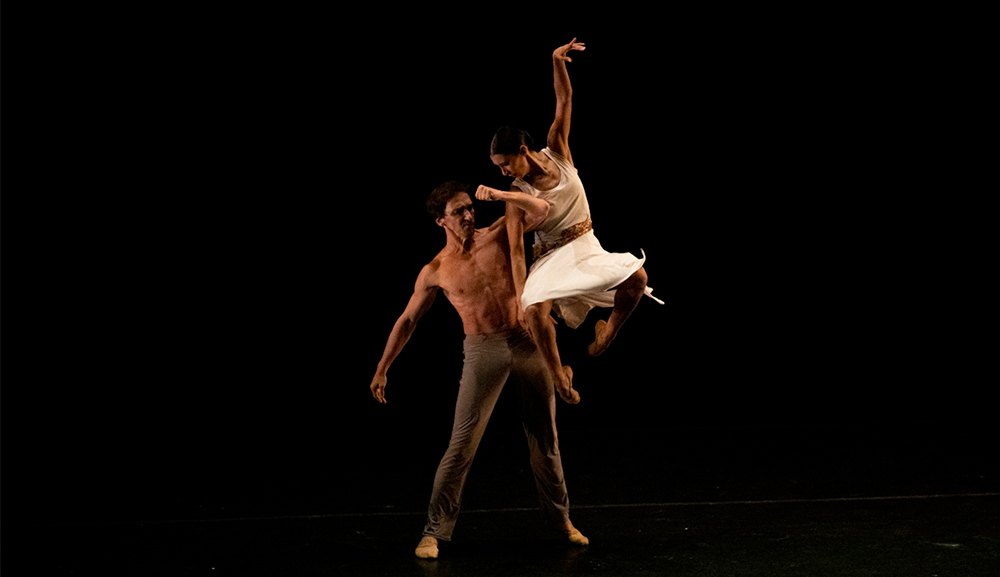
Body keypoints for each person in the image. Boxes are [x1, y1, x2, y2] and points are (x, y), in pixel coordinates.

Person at [369, 181, 588, 559]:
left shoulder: (502, 231)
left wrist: (504, 196)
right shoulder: (436, 269)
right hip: (482, 349)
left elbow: (541, 210)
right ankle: (433, 532)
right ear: (441, 221)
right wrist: (382, 367)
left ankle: (562, 522)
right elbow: (407, 320)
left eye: (470, 207)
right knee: (461, 446)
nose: (469, 215)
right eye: (459, 212)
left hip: (525, 340)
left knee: (545, 440)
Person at [478, 38, 663, 404]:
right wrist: (521, 295)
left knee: (638, 278)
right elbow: (517, 250)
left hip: (586, 244)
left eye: (505, 164)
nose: (503, 172)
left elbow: (564, 101)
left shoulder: (557, 151)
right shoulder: (516, 197)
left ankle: (607, 334)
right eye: (497, 168)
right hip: (549, 255)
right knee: (535, 313)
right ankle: (560, 376)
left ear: (522, 151)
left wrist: (556, 62)